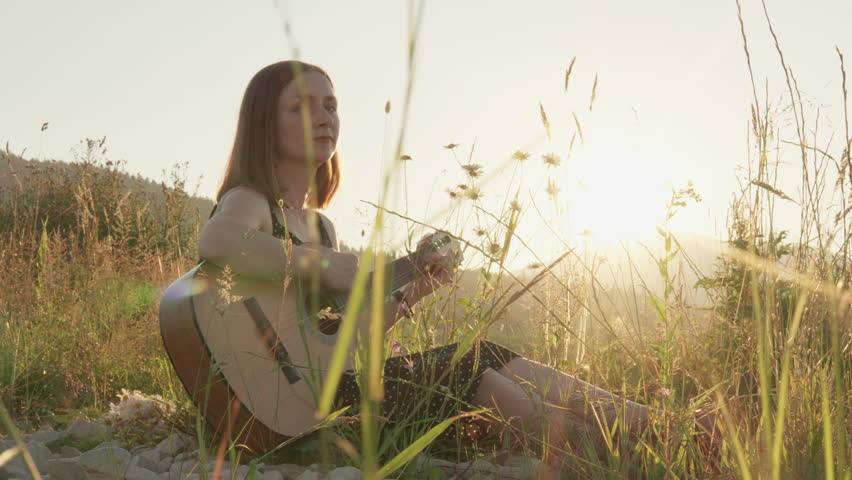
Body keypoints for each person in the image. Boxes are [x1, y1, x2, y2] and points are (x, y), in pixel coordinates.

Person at [197, 60, 715, 459]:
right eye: (301, 107)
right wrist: (344, 268)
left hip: (323, 387)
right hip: (283, 411)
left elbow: (340, 342)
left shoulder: (321, 226)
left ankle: (658, 434)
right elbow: (218, 243)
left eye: (331, 105)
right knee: (471, 374)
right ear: (265, 122)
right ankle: (647, 448)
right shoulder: (252, 200)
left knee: (483, 356)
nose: (325, 117)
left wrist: (409, 291)